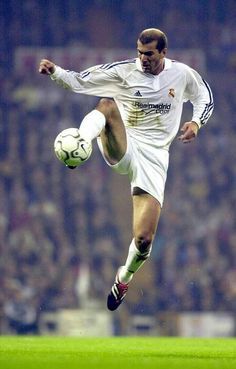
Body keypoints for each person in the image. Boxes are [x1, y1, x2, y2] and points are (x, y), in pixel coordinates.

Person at [39, 28, 214, 311]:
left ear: (163, 53)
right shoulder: (124, 72)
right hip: (125, 143)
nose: (143, 59)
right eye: (140, 52)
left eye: (149, 54)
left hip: (156, 159)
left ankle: (124, 278)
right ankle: (82, 140)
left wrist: (196, 123)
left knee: (144, 240)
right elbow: (82, 81)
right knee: (107, 105)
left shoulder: (182, 75)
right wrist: (56, 72)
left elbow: (205, 96)